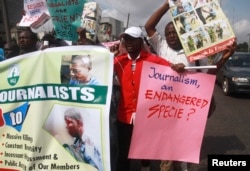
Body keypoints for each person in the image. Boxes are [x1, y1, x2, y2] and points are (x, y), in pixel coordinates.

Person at [144, 1, 236, 171]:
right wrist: (168, 4)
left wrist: (224, 58)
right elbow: (149, 26)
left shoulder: (194, 53)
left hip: (187, 112)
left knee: (184, 153)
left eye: (174, 32)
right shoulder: (161, 46)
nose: (171, 35)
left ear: (181, 33)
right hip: (165, 110)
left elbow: (207, 75)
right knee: (167, 156)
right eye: (168, 33)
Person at [113, 26, 172, 171]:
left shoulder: (153, 60)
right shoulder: (117, 61)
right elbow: (96, 66)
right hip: (124, 116)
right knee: (124, 153)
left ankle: (145, 167)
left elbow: (172, 71)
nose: (128, 42)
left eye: (132, 39)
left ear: (140, 41)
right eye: (126, 39)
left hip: (146, 116)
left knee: (145, 151)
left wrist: (178, 67)